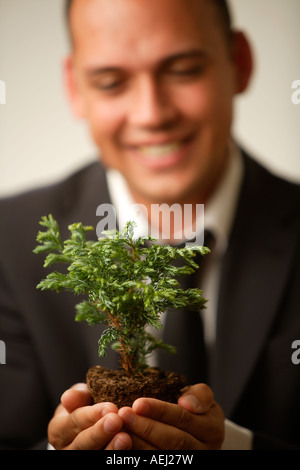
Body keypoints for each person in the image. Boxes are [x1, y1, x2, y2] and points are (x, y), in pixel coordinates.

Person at [0, 0, 299, 450]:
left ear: (239, 63)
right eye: (111, 81)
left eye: (183, 70)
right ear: (75, 87)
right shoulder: (7, 241)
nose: (152, 114)